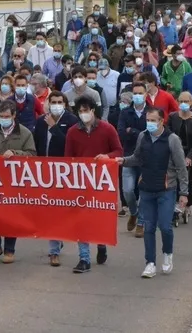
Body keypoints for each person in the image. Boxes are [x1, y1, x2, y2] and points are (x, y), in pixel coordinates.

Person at [117, 107, 188, 278]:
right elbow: (137, 158)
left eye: (153, 120)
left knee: (165, 226)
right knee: (148, 228)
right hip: (147, 188)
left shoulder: (172, 140)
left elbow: (181, 167)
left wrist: (184, 193)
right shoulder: (143, 136)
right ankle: (150, 263)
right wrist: (122, 161)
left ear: (162, 121)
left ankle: (167, 254)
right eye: (148, 120)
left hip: (166, 189)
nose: (150, 123)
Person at [65, 96, 122, 273]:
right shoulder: (73, 132)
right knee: (82, 219)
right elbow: (68, 158)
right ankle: (84, 258)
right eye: (80, 111)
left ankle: (101, 242)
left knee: (99, 216)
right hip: (81, 182)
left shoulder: (107, 129)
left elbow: (119, 151)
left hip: (102, 182)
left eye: (86, 110)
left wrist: (107, 157)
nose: (83, 114)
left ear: (93, 111)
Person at [0, 100, 36, 264]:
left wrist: (16, 153)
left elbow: (32, 154)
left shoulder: (24, 133)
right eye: (1, 116)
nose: (3, 119)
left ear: (13, 116)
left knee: (11, 215)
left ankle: (10, 249)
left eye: (6, 116)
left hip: (14, 181)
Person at [118, 82, 149, 236]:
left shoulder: (152, 112)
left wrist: (133, 131)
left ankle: (141, 224)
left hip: (147, 157)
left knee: (144, 192)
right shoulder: (125, 113)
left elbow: (153, 133)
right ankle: (134, 212)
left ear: (146, 94)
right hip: (129, 155)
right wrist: (140, 132)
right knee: (128, 190)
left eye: (140, 93)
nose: (137, 96)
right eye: (135, 93)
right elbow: (122, 133)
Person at [169, 91, 192, 223]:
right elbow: (169, 134)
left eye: (186, 101)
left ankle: (187, 204)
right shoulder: (173, 117)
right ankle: (176, 203)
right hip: (175, 151)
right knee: (175, 178)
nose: (183, 104)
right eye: (181, 101)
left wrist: (189, 156)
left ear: (191, 103)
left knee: (186, 177)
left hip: (190, 152)